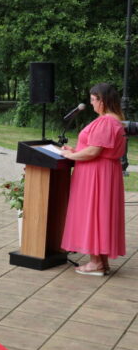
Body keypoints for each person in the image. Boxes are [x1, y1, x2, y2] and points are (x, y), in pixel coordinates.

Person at [60, 83, 126, 276]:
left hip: (96, 174)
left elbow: (94, 151)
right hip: (104, 172)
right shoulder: (115, 121)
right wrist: (75, 150)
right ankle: (101, 262)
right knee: (100, 214)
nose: (91, 103)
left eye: (93, 100)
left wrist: (70, 155)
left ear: (102, 101)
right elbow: (96, 148)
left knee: (94, 213)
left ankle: (96, 263)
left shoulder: (106, 121)